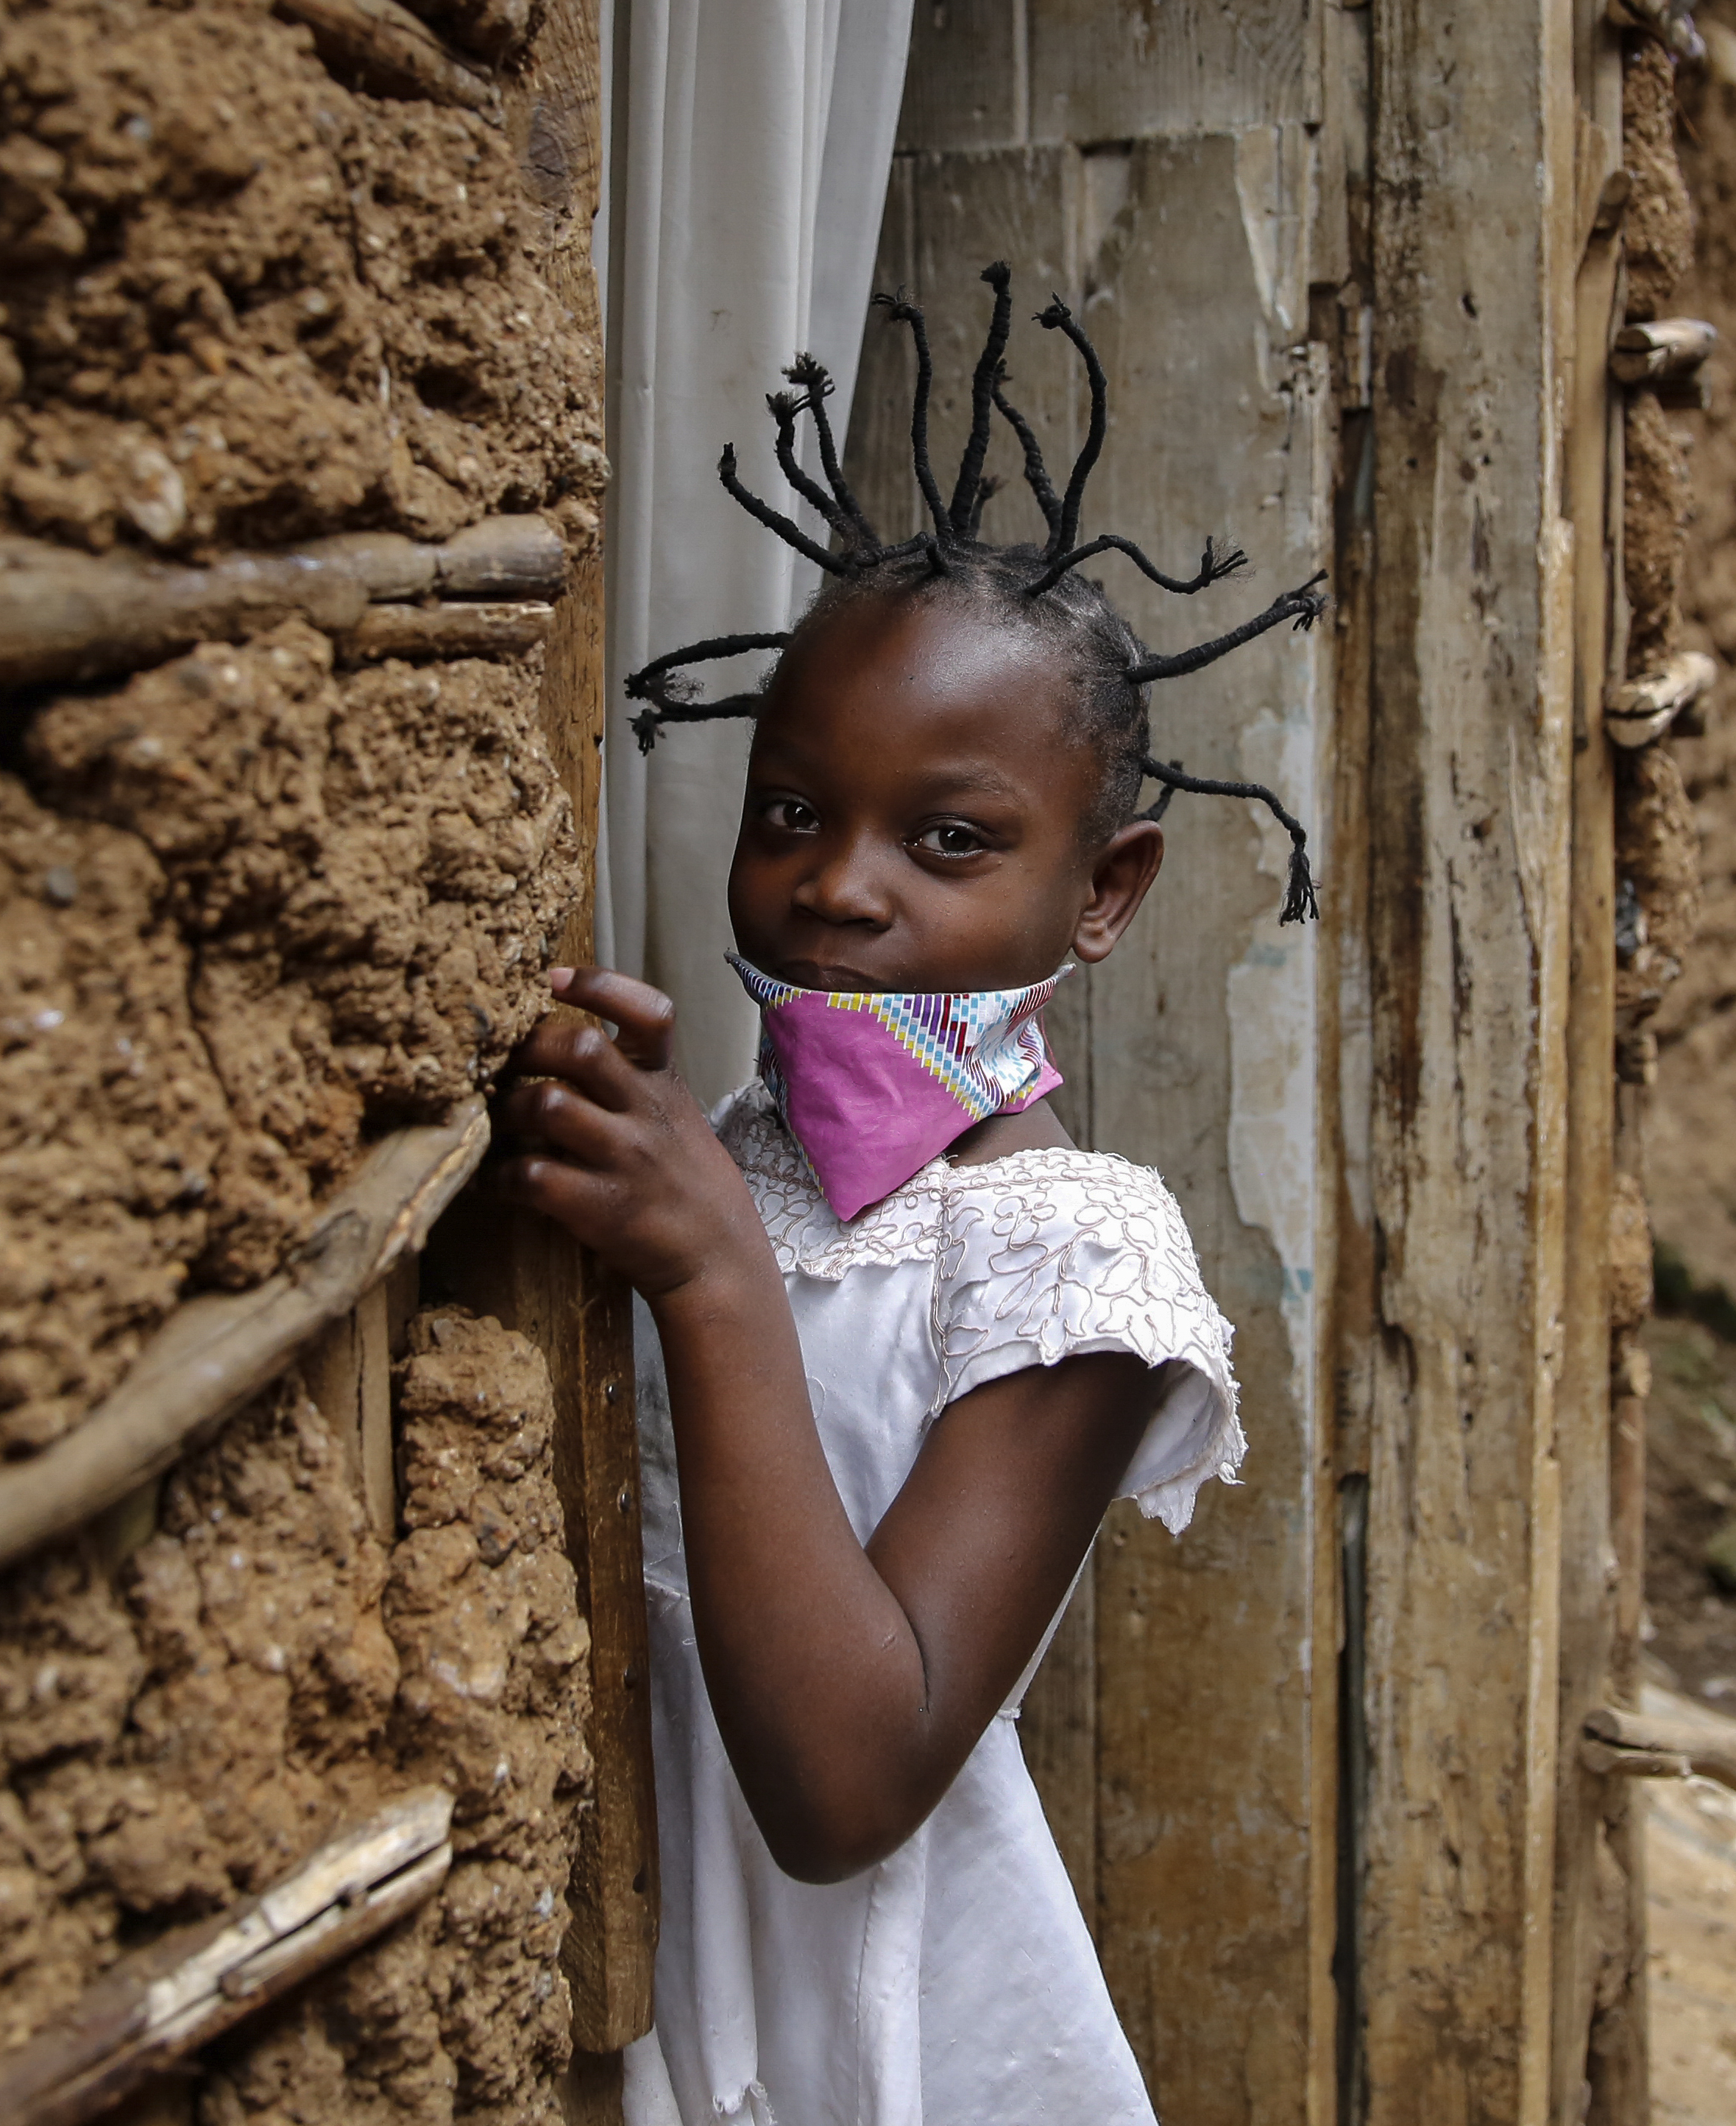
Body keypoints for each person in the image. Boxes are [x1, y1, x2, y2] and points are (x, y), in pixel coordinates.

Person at [497, 266, 1325, 2125]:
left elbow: (847, 1785)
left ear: (1102, 893)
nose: (840, 887)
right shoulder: (738, 1142)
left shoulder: (1066, 1264)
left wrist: (705, 1273)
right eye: (790, 810)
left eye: (950, 839)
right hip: (641, 1959)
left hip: (881, 2026)